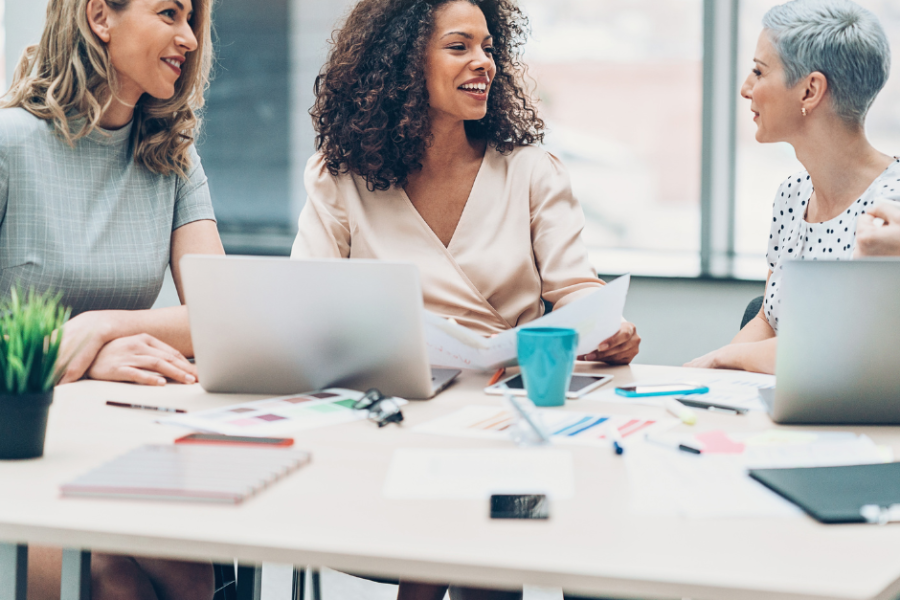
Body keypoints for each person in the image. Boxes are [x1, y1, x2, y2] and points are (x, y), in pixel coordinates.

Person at [292, 0, 640, 597]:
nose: (485, 63)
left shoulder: (531, 171)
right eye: (459, 47)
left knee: (487, 520)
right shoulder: (340, 175)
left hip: (508, 422)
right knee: (459, 527)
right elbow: (306, 304)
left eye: (488, 47)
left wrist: (608, 326)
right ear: (402, 65)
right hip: (395, 420)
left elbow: (576, 286)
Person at [2, 0, 225, 597]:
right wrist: (74, 356)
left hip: (118, 447)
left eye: (192, 21)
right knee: (115, 586)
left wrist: (101, 328)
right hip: (18, 455)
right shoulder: (8, 146)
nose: (189, 39)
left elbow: (221, 316)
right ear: (100, 16)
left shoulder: (172, 156)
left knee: (193, 578)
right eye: (169, 14)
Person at [686, 0, 899, 375]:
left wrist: (725, 357)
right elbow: (768, 319)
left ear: (809, 91)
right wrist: (702, 376)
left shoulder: (892, 208)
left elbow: (836, 353)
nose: (745, 88)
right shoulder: (793, 194)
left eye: (758, 71)